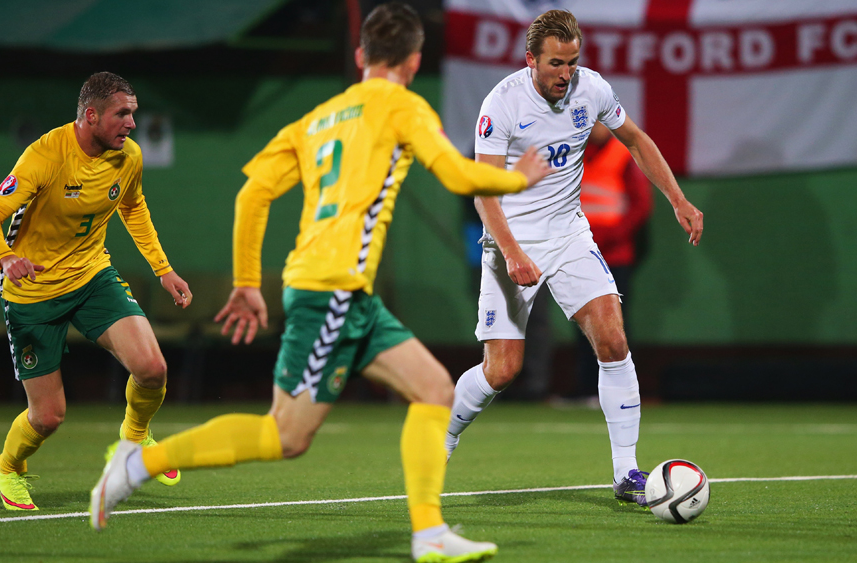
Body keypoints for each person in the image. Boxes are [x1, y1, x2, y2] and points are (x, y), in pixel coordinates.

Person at [89, 4, 550, 562]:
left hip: (343, 293)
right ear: (413, 60)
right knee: (285, 436)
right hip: (330, 291)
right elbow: (455, 173)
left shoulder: (318, 118)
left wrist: (247, 281)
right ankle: (136, 463)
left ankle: (430, 534)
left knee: (434, 391)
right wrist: (516, 177)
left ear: (361, 57)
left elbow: (252, 193)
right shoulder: (403, 105)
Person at [444, 9, 704, 508]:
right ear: (531, 61)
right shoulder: (501, 104)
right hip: (509, 240)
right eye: (556, 64)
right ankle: (445, 435)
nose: (566, 73)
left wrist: (677, 199)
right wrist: (514, 253)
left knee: (612, 337)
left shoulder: (592, 89)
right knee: (501, 370)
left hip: (568, 234)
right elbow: (484, 195)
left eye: (573, 62)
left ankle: (627, 472)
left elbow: (636, 140)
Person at [0, 71, 192, 511]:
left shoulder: (128, 156)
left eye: (133, 113)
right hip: (33, 294)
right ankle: (9, 468)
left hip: (92, 278)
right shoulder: (45, 156)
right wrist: (5, 258)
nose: (131, 124)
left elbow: (133, 206)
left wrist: (163, 269)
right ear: (91, 115)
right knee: (48, 417)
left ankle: (133, 441)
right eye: (121, 114)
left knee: (152, 368)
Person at [571, 122, 654, 403]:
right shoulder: (571, 152)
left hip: (614, 255)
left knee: (615, 325)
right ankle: (586, 391)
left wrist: (610, 237)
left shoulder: (623, 154)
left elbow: (640, 204)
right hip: (577, 252)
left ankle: (622, 393)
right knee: (582, 323)